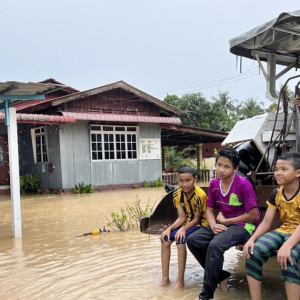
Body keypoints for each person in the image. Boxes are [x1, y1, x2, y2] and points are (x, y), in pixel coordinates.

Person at [187, 147, 259, 300]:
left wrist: (227, 221)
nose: (221, 169)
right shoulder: (214, 183)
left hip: (243, 226)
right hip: (223, 224)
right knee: (194, 240)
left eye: (226, 166)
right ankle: (221, 275)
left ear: (236, 169)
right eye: (219, 164)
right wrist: (213, 225)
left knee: (215, 245)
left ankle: (205, 296)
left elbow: (253, 215)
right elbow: (209, 208)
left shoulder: (243, 184)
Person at [243, 152, 300, 300]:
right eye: (276, 169)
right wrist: (252, 239)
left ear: (298, 173)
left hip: (297, 233)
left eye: (284, 169)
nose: (278, 173)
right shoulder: (276, 193)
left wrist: (287, 245)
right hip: (284, 230)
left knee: (288, 257)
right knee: (253, 253)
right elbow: (267, 222)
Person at [159, 166, 208, 290]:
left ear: (195, 179)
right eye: (181, 181)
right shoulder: (177, 194)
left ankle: (180, 281)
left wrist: (183, 229)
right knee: (165, 239)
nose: (184, 184)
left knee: (180, 239)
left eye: (188, 180)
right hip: (187, 223)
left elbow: (197, 219)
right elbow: (181, 218)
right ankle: (165, 279)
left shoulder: (200, 195)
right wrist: (169, 229)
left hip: (199, 224)